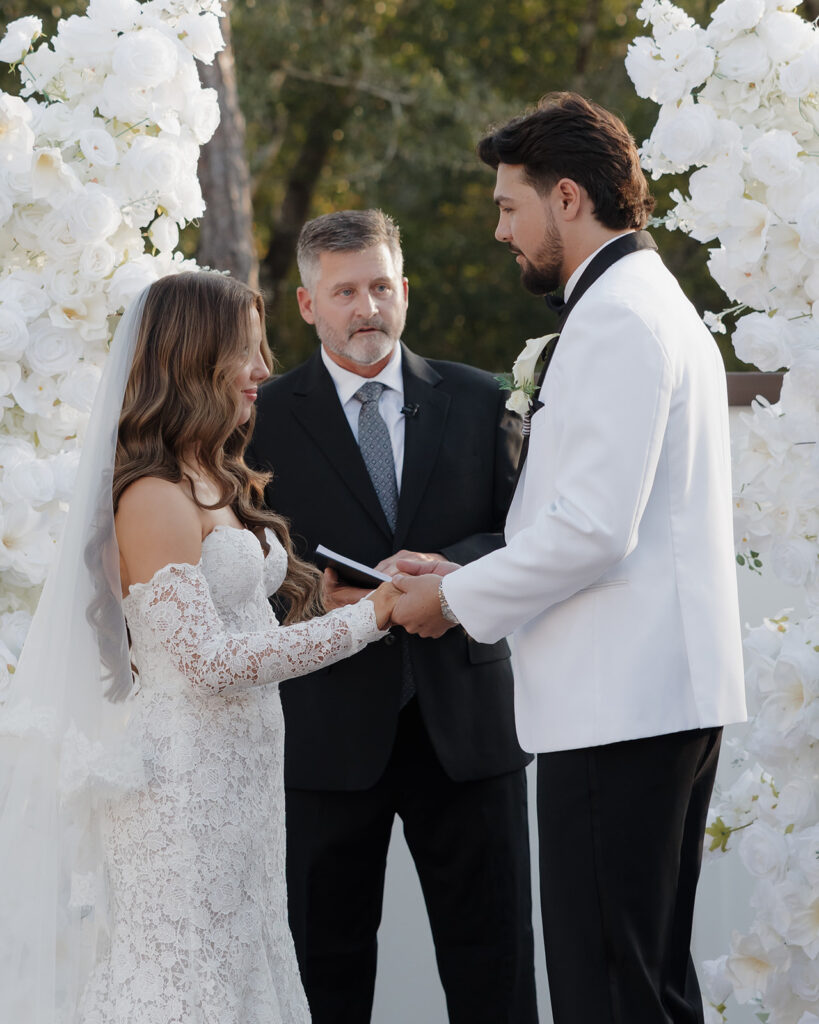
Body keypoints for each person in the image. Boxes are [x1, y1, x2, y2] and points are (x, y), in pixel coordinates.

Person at [390, 93, 747, 1024]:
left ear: (566, 197)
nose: (499, 229)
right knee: (650, 984)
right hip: (651, 694)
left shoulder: (617, 318)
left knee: (607, 991)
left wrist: (457, 599)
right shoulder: (650, 303)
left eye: (509, 206)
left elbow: (593, 529)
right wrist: (464, 570)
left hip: (617, 702)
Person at [0, 271, 401, 1024]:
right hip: (181, 786)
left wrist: (342, 600)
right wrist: (367, 622)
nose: (261, 371)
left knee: (244, 961)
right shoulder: (153, 494)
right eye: (245, 352)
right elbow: (207, 664)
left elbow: (240, 625)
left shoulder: (209, 475)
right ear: (193, 358)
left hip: (239, 776)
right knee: (185, 978)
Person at [246, 209, 538, 1024]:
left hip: (468, 727)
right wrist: (310, 597)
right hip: (324, 734)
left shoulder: (485, 401)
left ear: (404, 290)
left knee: (496, 965)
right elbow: (235, 556)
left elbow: (527, 534)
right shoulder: (259, 418)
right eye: (344, 292)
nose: (365, 307)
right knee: (322, 971)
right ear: (307, 305)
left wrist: (457, 576)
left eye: (380, 286)